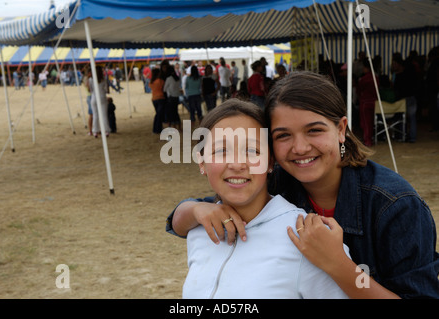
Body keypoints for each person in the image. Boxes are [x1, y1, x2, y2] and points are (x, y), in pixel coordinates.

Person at [167, 71, 439, 299]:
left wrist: (338, 265)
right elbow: (200, 211)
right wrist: (193, 210)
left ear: (341, 129)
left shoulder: (394, 205)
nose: (299, 148)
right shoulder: (276, 179)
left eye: (314, 130)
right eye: (283, 135)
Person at [182, 98, 349, 299]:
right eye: (221, 151)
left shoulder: (307, 237)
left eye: (252, 150)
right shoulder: (198, 230)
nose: (237, 164)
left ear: (270, 161)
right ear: (202, 162)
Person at [357, 59, 379, 146]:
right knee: (372, 122)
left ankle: (367, 140)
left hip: (365, 102)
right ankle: (370, 138)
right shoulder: (375, 78)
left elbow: (358, 90)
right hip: (374, 102)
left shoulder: (364, 79)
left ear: (367, 68)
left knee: (366, 123)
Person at [90, 66, 111, 138]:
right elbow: (106, 89)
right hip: (102, 97)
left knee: (95, 115)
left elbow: (91, 89)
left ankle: (95, 131)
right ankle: (106, 130)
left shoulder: (91, 79)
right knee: (104, 115)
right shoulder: (103, 79)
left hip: (94, 97)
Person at [164, 65, 182, 130]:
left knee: (171, 112)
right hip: (177, 97)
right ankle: (179, 126)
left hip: (171, 97)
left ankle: (174, 126)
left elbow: (164, 89)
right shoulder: (177, 78)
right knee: (175, 111)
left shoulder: (168, 79)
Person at [149, 68, 166, 134]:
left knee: (158, 114)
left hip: (154, 99)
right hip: (160, 97)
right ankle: (157, 129)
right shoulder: (160, 81)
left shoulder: (151, 82)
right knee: (159, 115)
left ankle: (157, 128)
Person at [83, 69, 93, 136]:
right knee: (92, 115)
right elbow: (89, 89)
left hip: (91, 96)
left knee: (93, 115)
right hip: (90, 97)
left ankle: (93, 130)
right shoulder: (87, 79)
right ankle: (90, 130)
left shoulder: (89, 78)